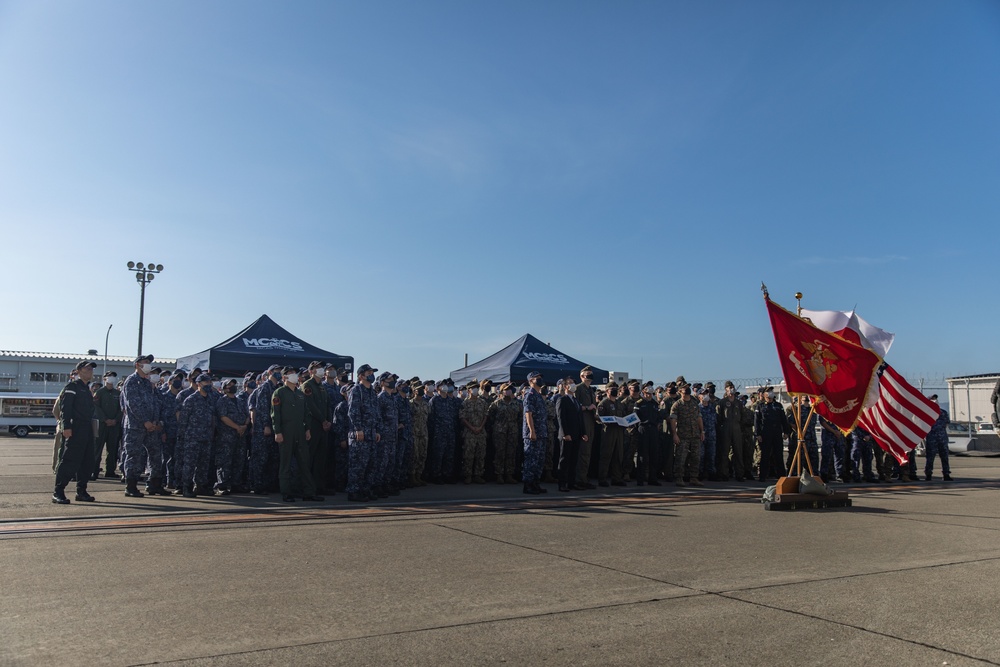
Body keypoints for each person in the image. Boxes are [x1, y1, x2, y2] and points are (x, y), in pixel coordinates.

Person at [271, 366, 321, 502]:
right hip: (286, 432)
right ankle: (286, 492)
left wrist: (308, 429)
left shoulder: (300, 394)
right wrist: (278, 432)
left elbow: (306, 413)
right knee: (285, 463)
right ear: (284, 377)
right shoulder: (279, 393)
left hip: (300, 432)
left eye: (294, 373)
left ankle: (308, 492)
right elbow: (276, 415)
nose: (294, 375)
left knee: (304, 462)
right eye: (290, 373)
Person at [52, 362, 98, 504]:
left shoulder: (86, 388)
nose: (90, 371)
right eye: (87, 368)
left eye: (91, 369)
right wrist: (66, 427)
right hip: (75, 428)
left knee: (87, 460)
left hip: (87, 428)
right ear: (79, 371)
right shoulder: (72, 387)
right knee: (70, 460)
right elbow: (66, 408)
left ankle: (81, 491)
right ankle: (58, 491)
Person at [121, 354, 166, 498]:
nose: (148, 364)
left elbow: (155, 403)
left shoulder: (148, 383)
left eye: (149, 362)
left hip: (151, 426)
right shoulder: (131, 381)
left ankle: (154, 484)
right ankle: (131, 486)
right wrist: (145, 421)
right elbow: (133, 404)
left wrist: (155, 421)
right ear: (137, 365)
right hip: (136, 426)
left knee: (155, 454)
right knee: (134, 456)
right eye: (145, 362)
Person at [178, 374, 216, 497]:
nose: (208, 384)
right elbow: (183, 420)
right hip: (192, 437)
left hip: (206, 436)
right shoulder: (191, 400)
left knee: (203, 464)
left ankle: (200, 486)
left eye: (209, 382)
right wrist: (182, 437)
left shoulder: (211, 399)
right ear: (198, 384)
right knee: (190, 463)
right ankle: (187, 487)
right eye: (205, 382)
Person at [347, 364, 381, 502]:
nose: (371, 374)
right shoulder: (357, 390)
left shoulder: (372, 392)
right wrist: (358, 429)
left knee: (370, 464)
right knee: (358, 465)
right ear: (361, 376)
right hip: (360, 434)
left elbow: (376, 413)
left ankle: (366, 490)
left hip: (372, 433)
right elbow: (353, 411)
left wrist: (377, 430)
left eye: (372, 372)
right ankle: (354, 491)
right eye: (368, 372)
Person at [248, 365, 282, 495]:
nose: (278, 373)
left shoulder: (277, 388)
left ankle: (269, 484)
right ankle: (257, 485)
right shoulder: (264, 388)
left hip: (274, 429)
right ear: (270, 373)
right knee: (260, 458)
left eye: (279, 371)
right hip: (263, 429)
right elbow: (262, 409)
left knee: (272, 458)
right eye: (276, 371)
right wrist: (266, 425)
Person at [215, 378, 249, 494]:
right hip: (226, 436)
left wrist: (244, 426)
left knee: (239, 460)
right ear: (225, 388)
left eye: (233, 384)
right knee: (225, 461)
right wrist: (237, 427)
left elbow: (247, 415)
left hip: (240, 436)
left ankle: (236, 483)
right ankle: (222, 485)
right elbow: (223, 417)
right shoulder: (222, 401)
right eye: (230, 385)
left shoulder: (240, 401)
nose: (233, 386)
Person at [302, 361, 331, 495]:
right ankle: (308, 486)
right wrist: (323, 420)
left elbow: (327, 405)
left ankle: (320, 486)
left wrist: (328, 421)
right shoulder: (307, 385)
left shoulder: (323, 387)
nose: (321, 369)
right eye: (318, 368)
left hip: (323, 427)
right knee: (310, 457)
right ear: (311, 371)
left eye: (321, 367)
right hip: (313, 425)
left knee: (322, 458)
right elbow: (310, 406)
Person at [670, 381, 704, 487]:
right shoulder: (677, 405)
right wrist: (674, 434)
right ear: (680, 391)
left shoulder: (694, 403)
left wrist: (702, 431)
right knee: (681, 458)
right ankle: (679, 478)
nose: (687, 390)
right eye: (684, 389)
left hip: (695, 435)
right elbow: (673, 421)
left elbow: (699, 418)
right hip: (683, 435)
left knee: (696, 457)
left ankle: (694, 478)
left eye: (687, 388)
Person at [555, 376, 586, 492]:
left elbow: (580, 418)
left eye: (574, 383)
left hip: (576, 434)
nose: (573, 385)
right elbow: (561, 418)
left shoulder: (576, 400)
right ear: (565, 386)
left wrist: (583, 432)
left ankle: (571, 483)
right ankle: (562, 483)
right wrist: (565, 433)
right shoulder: (562, 400)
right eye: (571, 383)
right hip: (566, 435)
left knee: (574, 460)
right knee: (564, 460)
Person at [521, 371, 549, 495]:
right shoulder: (530, 395)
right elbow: (528, 414)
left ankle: (535, 483)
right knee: (531, 460)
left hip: (541, 433)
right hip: (532, 434)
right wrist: (532, 431)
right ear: (531, 380)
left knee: (539, 460)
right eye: (537, 378)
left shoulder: (538, 395)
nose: (540, 380)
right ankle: (528, 485)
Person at [488, 383, 521, 484]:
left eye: (510, 389)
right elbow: (490, 415)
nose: (508, 391)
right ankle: (499, 475)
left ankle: (509, 475)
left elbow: (520, 417)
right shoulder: (496, 403)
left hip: (512, 432)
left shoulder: (517, 404)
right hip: (499, 432)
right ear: (502, 391)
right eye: (506, 389)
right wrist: (497, 425)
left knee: (511, 453)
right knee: (500, 453)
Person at [92, 371, 122, 479]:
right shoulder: (99, 392)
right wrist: (105, 419)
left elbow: (121, 409)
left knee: (112, 449)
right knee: (97, 449)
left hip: (114, 426)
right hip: (102, 425)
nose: (111, 378)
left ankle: (110, 471)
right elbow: (96, 407)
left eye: (113, 376)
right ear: (104, 379)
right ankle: (94, 470)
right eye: (109, 376)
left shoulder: (118, 394)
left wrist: (115, 420)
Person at [754, 391, 789, 482]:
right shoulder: (760, 406)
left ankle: (781, 476)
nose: (769, 395)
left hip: (777, 433)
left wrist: (786, 432)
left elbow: (783, 419)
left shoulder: (778, 405)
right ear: (764, 395)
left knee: (778, 455)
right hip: (765, 433)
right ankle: (763, 476)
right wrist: (758, 434)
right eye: (768, 393)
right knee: (765, 455)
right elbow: (757, 421)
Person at [459, 380, 489, 484]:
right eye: (473, 388)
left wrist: (480, 427)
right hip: (469, 433)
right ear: (469, 390)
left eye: (477, 387)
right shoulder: (465, 403)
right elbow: (462, 418)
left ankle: (478, 475)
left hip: (481, 432)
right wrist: (472, 428)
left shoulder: (482, 402)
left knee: (480, 455)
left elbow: (486, 415)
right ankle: (468, 475)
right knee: (468, 455)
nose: (475, 390)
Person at [597, 382, 626, 487]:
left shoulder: (620, 403)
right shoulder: (603, 403)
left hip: (619, 431)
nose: (614, 391)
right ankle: (602, 478)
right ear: (607, 391)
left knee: (618, 455)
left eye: (616, 389)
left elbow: (624, 415)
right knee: (606, 455)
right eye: (612, 389)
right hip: (608, 431)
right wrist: (609, 420)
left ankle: (616, 478)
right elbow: (598, 417)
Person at [574, 367, 599, 489]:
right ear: (581, 376)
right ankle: (579, 479)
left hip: (591, 421)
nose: (589, 377)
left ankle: (584, 478)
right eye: (587, 375)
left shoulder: (591, 390)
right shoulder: (578, 388)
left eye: (591, 375)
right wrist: (587, 407)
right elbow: (575, 405)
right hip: (582, 422)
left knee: (587, 452)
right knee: (583, 452)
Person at [633, 383, 663, 486]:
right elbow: (635, 418)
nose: (649, 395)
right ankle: (640, 479)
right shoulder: (639, 404)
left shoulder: (655, 404)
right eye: (647, 394)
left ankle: (652, 478)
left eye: (651, 394)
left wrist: (658, 424)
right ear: (643, 393)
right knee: (642, 455)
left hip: (653, 430)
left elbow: (659, 416)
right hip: (643, 429)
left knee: (654, 455)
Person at [715, 381, 744, 481]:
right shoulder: (722, 402)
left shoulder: (738, 403)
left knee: (738, 452)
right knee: (724, 452)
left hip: (736, 427)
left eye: (732, 387)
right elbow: (718, 417)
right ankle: (724, 473)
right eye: (729, 387)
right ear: (726, 390)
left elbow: (742, 416)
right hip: (725, 428)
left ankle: (739, 474)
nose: (731, 389)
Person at [924, 395, 953, 481]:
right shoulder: (926, 413)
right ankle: (928, 474)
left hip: (942, 438)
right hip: (931, 438)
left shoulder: (943, 413)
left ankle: (946, 474)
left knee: (944, 456)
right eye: (932, 399)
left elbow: (946, 424)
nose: (935, 400)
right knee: (930, 457)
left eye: (935, 399)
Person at [409, 382, 430, 486]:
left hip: (424, 432)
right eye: (418, 389)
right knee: (414, 455)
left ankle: (419, 475)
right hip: (414, 433)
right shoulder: (411, 404)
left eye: (422, 389)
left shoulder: (426, 403)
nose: (420, 391)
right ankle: (412, 477)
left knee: (422, 455)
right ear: (414, 391)